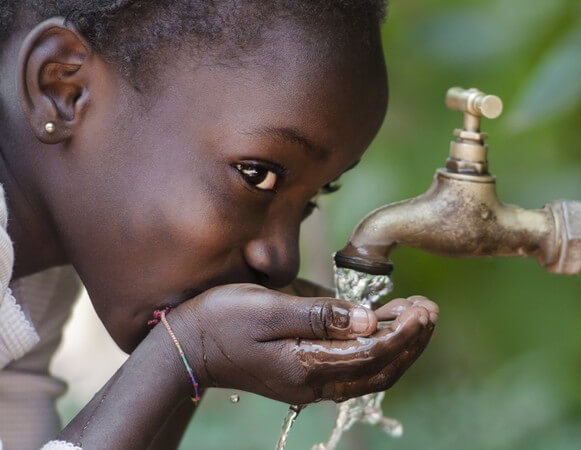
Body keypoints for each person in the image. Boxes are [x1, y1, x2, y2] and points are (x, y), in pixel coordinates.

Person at [0, 1, 439, 449]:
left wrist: (199, 355)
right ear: (63, 89)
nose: (281, 261)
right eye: (257, 175)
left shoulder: (33, 277)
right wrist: (186, 351)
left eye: (312, 199)